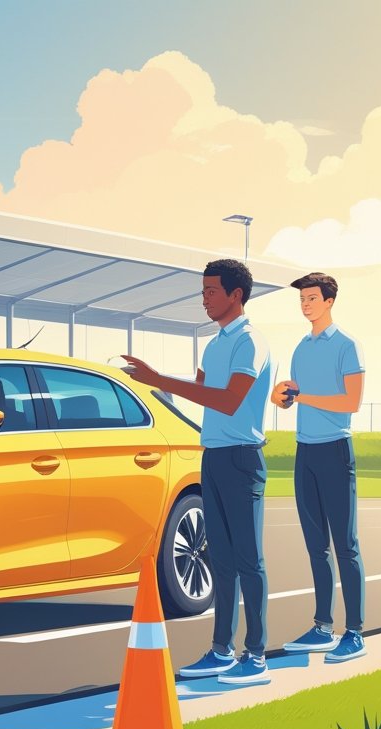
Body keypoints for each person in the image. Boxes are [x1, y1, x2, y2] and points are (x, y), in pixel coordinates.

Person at [123, 259, 273, 686]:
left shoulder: (250, 342)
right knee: (220, 558)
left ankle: (256, 655)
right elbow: (204, 395)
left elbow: (228, 400)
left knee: (248, 560)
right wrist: (154, 383)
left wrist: (160, 379)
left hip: (242, 458)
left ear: (235, 295)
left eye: (211, 292)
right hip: (214, 458)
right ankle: (222, 650)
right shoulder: (213, 345)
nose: (204, 299)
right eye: (203, 291)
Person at [272, 273, 367, 662]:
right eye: (302, 299)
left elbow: (351, 403)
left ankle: (355, 632)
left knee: (346, 545)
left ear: (329, 301)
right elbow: (292, 397)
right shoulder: (300, 347)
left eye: (312, 298)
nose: (305, 304)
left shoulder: (347, 345)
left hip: (335, 451)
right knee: (316, 546)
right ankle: (322, 626)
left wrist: (303, 396)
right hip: (305, 453)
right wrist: (282, 397)